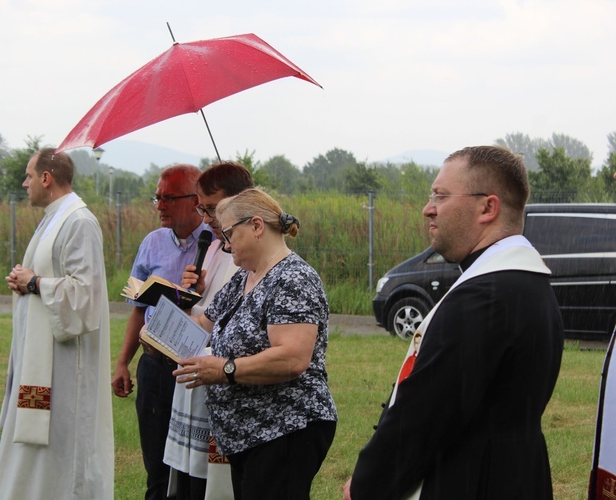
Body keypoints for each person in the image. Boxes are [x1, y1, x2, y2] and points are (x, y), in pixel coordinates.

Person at [344, 145, 564, 500]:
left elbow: (424, 417)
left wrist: (368, 482)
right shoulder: (525, 282)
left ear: (487, 207)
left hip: (471, 480)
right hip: (515, 474)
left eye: (441, 196)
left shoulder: (484, 298)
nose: (428, 208)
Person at [173, 188, 338, 500]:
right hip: (248, 435)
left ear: (257, 226)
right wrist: (159, 320)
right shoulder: (243, 277)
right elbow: (202, 327)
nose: (224, 243)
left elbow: (292, 358)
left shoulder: (293, 278)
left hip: (285, 429)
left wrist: (226, 369)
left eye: (229, 233)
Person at [0, 148, 113, 499]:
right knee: (35, 448)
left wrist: (35, 283)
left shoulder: (79, 221)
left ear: (47, 178)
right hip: (41, 363)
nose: (24, 182)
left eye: (29, 175)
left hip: (65, 369)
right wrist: (26, 281)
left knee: (63, 447)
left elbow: (85, 295)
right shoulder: (53, 217)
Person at [112, 164, 208, 500]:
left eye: (168, 198)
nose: (160, 206)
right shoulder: (151, 244)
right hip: (155, 366)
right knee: (156, 468)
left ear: (196, 200)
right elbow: (139, 309)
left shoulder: (217, 245)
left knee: (193, 472)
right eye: (157, 198)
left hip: (197, 369)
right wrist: (124, 362)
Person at [163, 161, 254, 500]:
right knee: (189, 482)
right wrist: (193, 295)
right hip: (196, 372)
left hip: (223, 377)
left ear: (240, 202)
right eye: (202, 208)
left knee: (214, 484)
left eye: (212, 209)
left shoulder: (251, 254)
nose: (206, 219)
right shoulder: (215, 247)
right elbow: (205, 315)